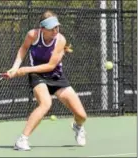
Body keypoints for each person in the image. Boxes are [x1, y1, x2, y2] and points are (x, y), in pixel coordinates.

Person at [7, 10, 87, 151]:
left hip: (56, 76)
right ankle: (22, 140)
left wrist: (25, 69)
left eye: (57, 27)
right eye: (52, 28)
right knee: (45, 103)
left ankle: (78, 126)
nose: (56, 30)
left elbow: (50, 66)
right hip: (38, 76)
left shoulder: (60, 40)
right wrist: (15, 67)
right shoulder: (33, 35)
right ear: (42, 29)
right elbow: (23, 49)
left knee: (82, 115)